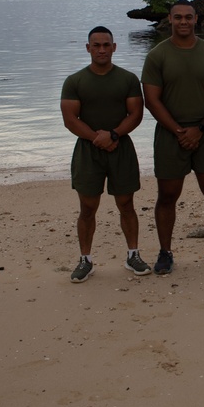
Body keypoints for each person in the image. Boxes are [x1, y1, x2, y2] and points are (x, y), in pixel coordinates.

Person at [141, 0, 204, 273]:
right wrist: (179, 131)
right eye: (178, 17)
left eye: (188, 17)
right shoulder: (157, 55)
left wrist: (200, 129)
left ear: (196, 20)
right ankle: (165, 252)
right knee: (167, 195)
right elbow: (152, 100)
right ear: (169, 19)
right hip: (171, 134)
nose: (183, 22)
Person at [60, 26, 147, 283]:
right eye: (96, 45)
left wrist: (114, 135)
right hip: (88, 151)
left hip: (121, 149)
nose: (101, 49)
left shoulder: (128, 79)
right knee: (87, 208)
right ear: (88, 48)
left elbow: (136, 114)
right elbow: (69, 119)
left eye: (106, 45)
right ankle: (85, 259)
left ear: (114, 47)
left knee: (126, 204)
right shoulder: (75, 81)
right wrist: (97, 138)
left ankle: (133, 254)